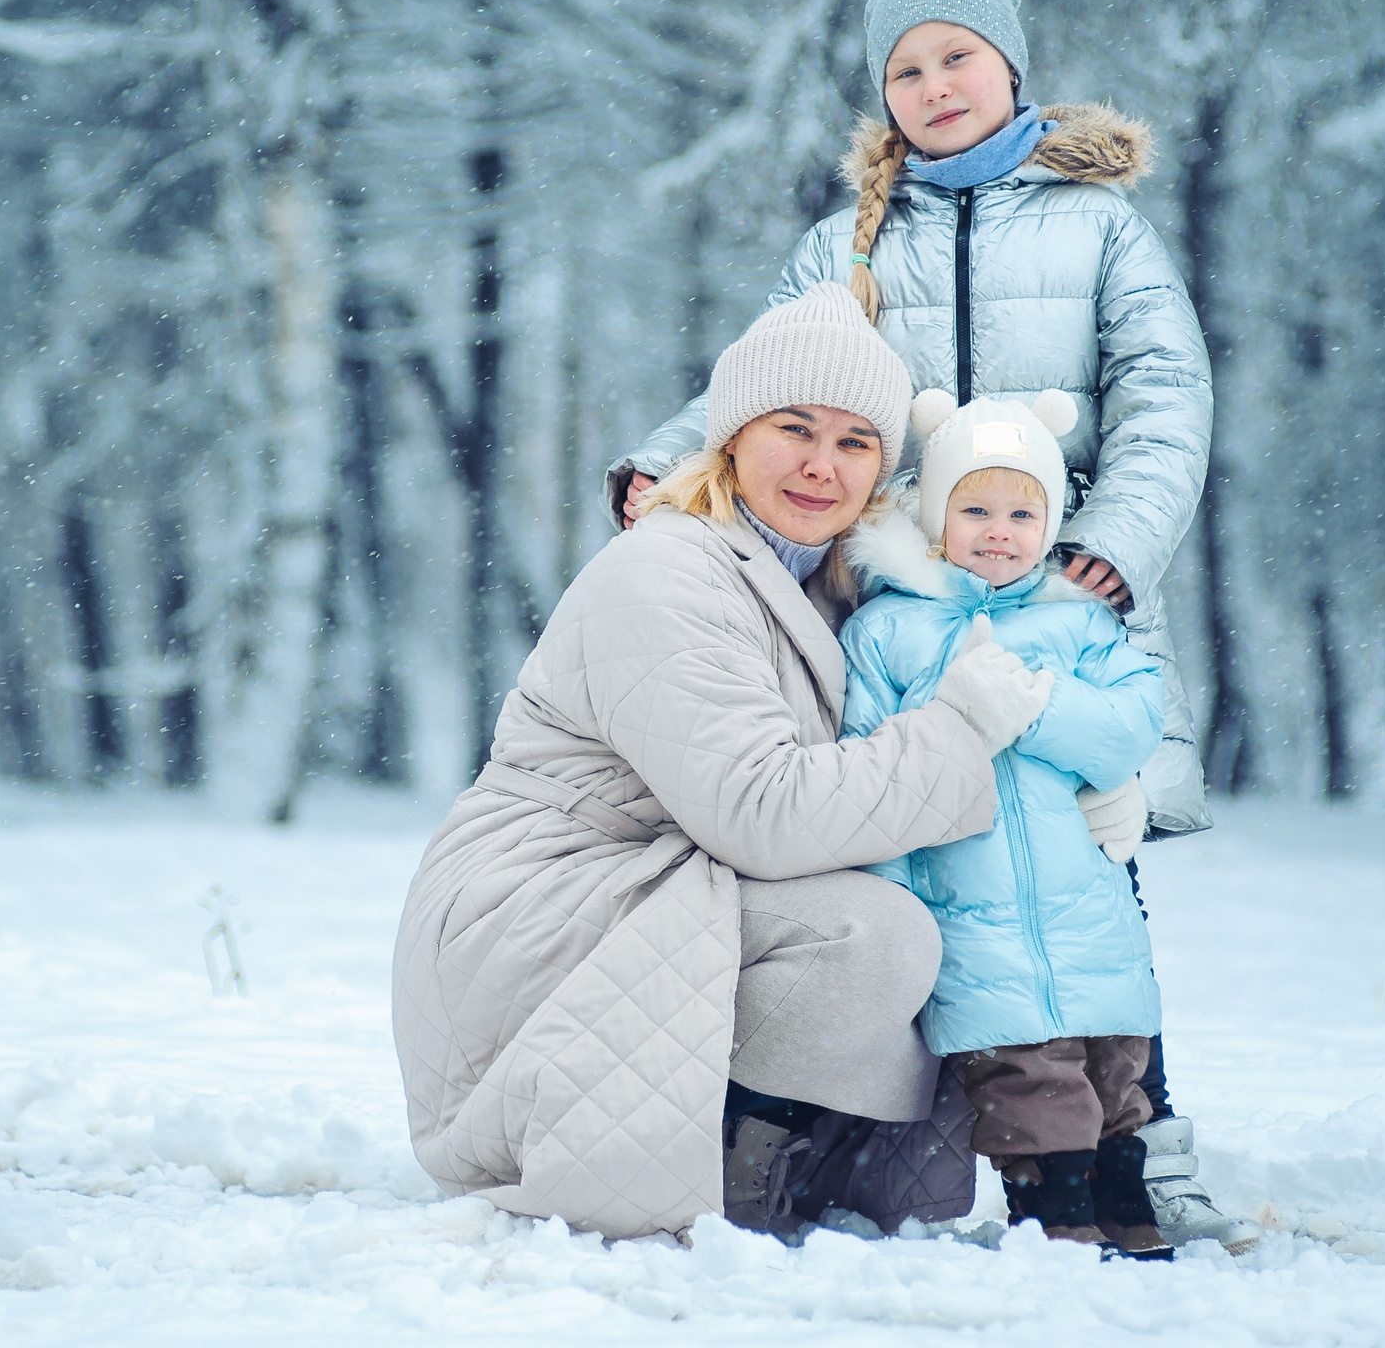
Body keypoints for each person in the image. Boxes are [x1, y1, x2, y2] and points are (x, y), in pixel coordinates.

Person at [607, 0, 1256, 1250]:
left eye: (955, 56)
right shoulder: (853, 244)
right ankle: (910, 1137)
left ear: (1013, 68)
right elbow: (764, 381)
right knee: (919, 870)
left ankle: (1142, 1141)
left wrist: (1113, 549)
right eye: (905, 68)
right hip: (908, 606)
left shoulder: (1097, 228)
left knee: (1093, 875)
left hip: (1064, 598)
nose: (932, 85)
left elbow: (1166, 400)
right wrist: (666, 461)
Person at [392, 284, 1048, 1242]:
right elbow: (763, 812)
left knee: (944, 910)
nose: (823, 466)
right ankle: (725, 1162)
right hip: (545, 902)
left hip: (662, 880)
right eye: (795, 428)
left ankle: (795, 1155)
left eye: (856, 442)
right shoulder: (668, 569)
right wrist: (958, 731)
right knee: (874, 937)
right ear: (732, 436)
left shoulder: (821, 583)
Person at [841, 388, 1170, 1256]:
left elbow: (1135, 722)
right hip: (967, 903)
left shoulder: (1076, 623)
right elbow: (870, 765)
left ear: (1052, 519)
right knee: (1025, 1071)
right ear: (934, 516)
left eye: (1023, 511)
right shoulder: (889, 631)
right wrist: (893, 901)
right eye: (974, 508)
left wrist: (1037, 707)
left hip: (1086, 902)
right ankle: (1052, 1209)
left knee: (1116, 1061)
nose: (999, 530)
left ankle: (1124, 1198)